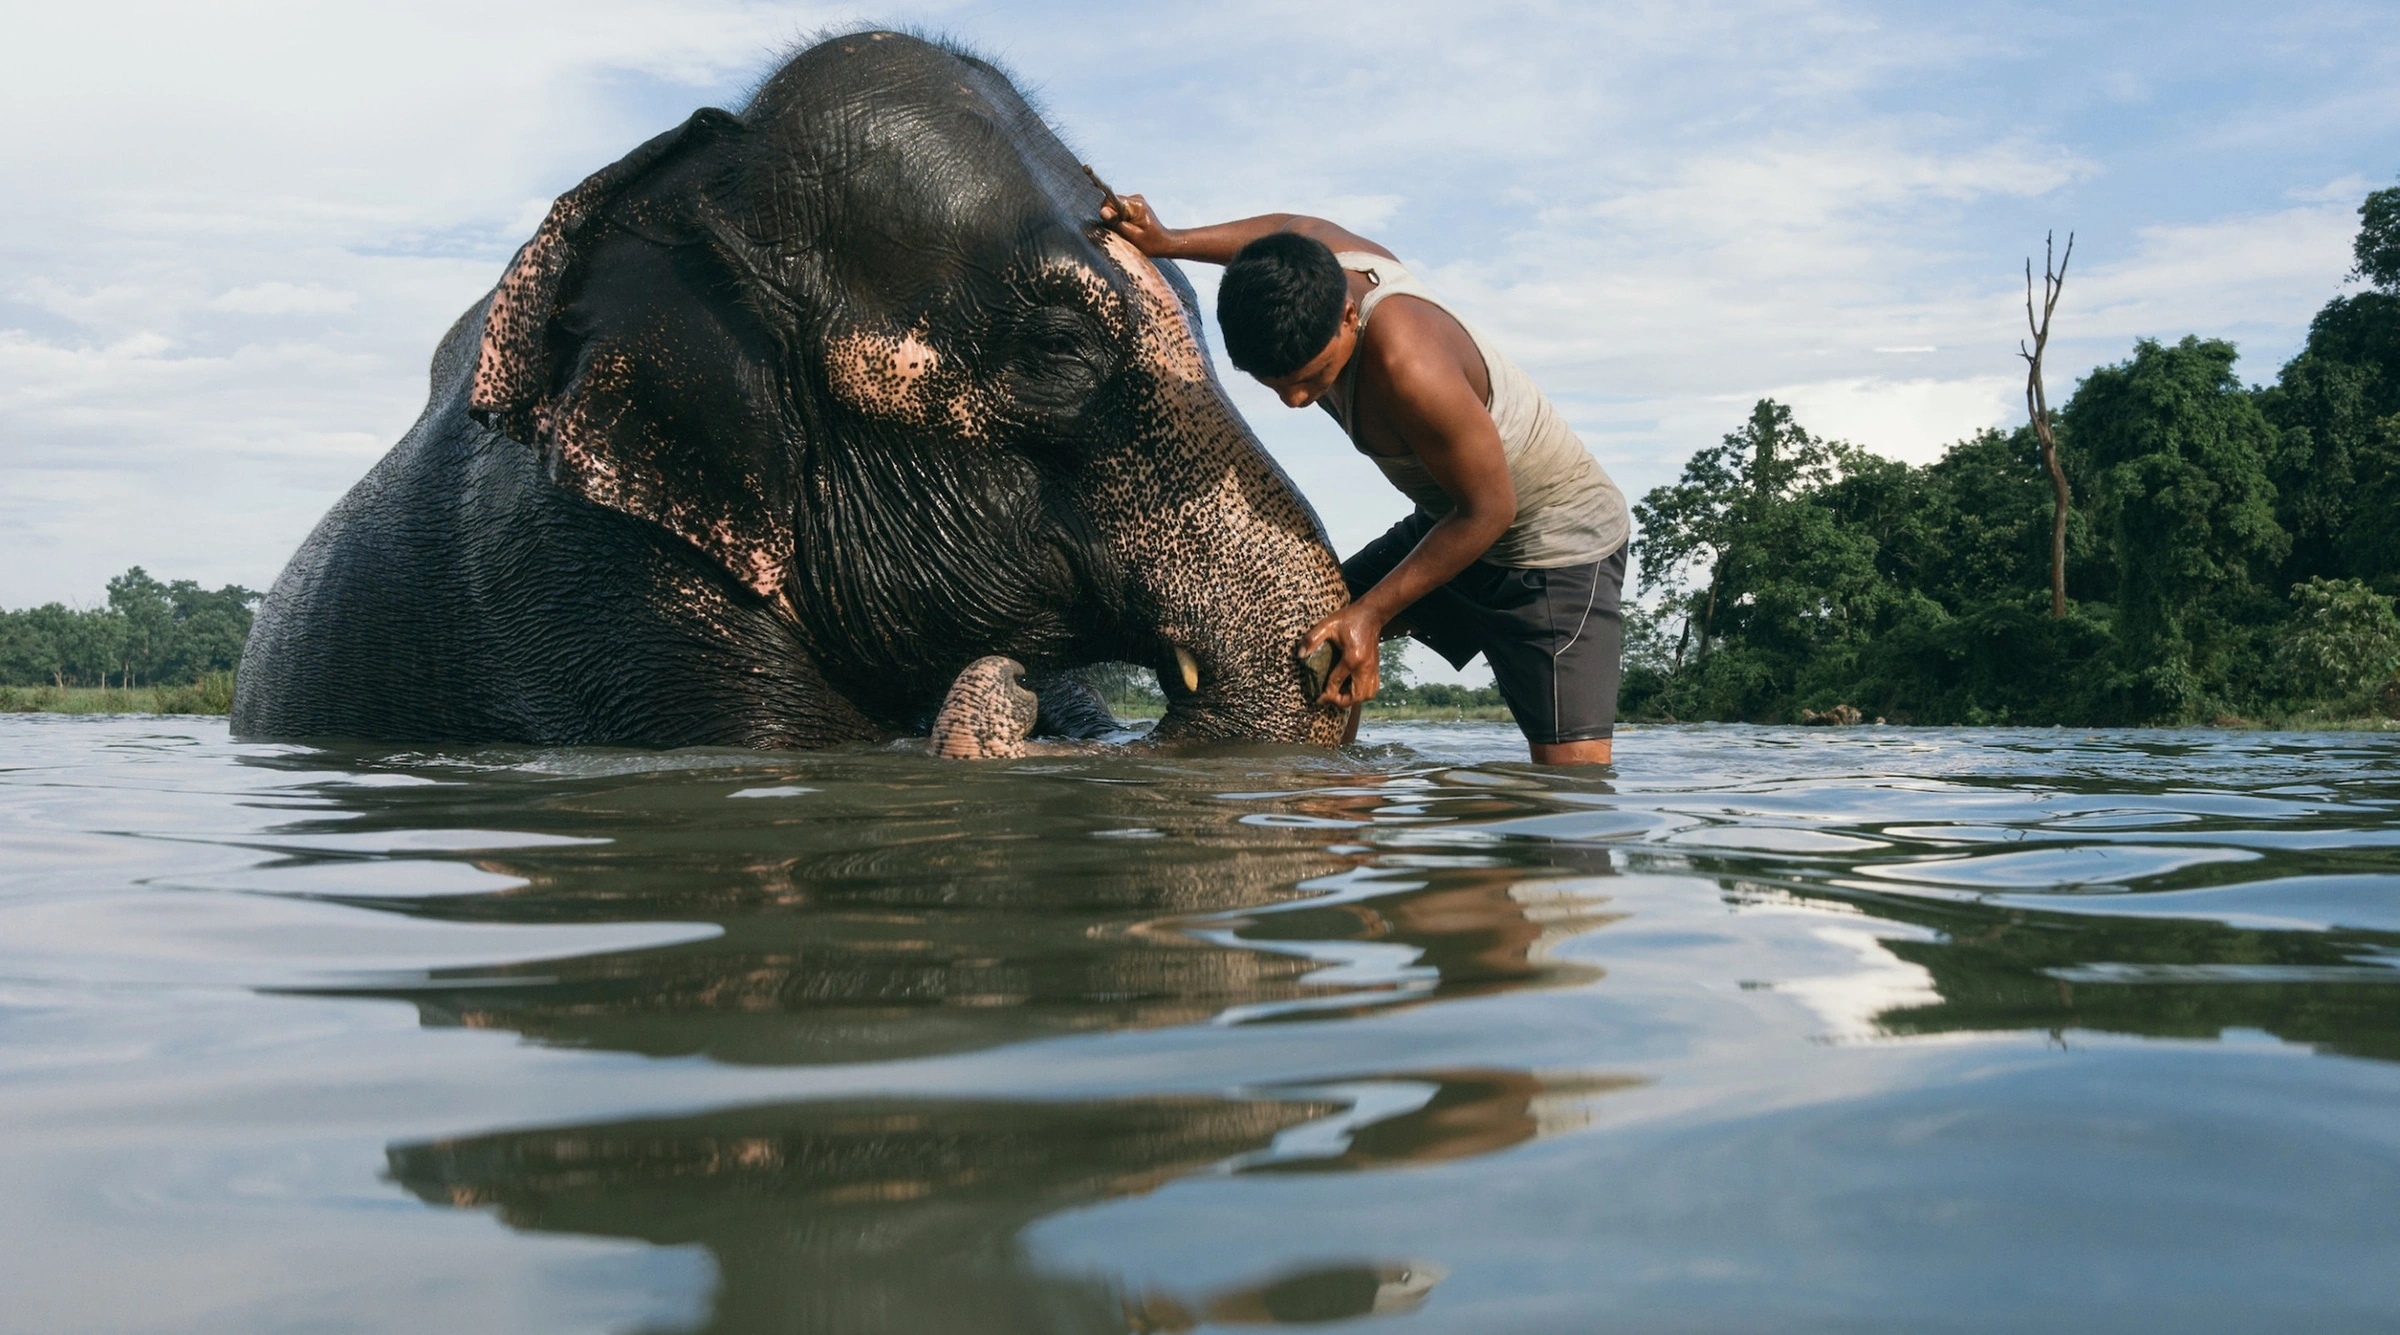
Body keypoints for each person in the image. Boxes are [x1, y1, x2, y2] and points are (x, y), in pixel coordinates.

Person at [1103, 197, 1631, 764]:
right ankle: (1340, 803)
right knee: (1312, 642)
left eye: (1310, 378)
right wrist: (1168, 241)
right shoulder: (1319, 260)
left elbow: (1491, 511)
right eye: (1273, 385)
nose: (1297, 401)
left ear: (1350, 317)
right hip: (1451, 520)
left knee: (1570, 796)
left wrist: (1371, 614)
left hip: (1552, 547)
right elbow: (1286, 228)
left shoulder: (1411, 368)